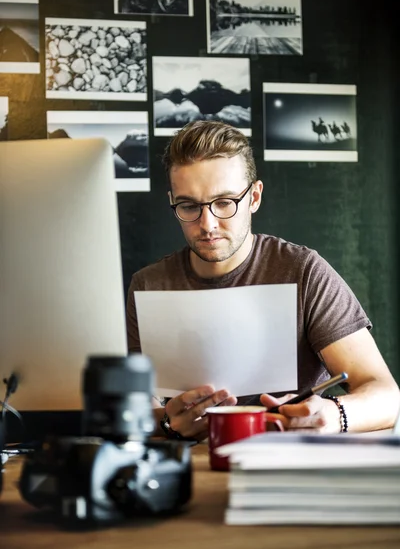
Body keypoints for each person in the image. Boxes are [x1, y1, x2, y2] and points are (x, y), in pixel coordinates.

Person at [126, 120, 400, 441]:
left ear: (254, 197)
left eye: (225, 202)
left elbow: (387, 396)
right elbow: (134, 409)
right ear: (173, 203)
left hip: (288, 460)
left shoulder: (302, 271)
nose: (208, 223)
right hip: (192, 464)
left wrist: (332, 414)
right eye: (189, 206)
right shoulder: (149, 285)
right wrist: (166, 424)